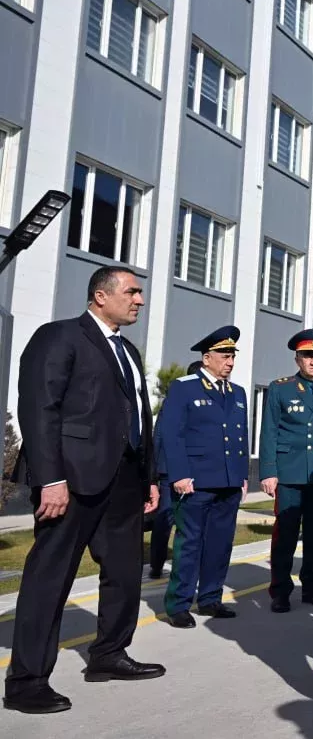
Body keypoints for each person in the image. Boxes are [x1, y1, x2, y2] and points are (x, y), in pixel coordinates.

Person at [3, 266, 163, 715]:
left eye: (140, 293)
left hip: (125, 484)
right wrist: (50, 479)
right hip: (71, 483)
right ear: (100, 295)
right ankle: (27, 681)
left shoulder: (126, 349)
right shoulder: (59, 337)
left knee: (126, 573)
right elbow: (40, 409)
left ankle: (109, 654)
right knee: (50, 578)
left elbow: (137, 418)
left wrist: (148, 476)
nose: (139, 300)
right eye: (132, 292)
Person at [157, 326, 250, 629]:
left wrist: (242, 475)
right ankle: (179, 603)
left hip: (228, 481)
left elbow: (240, 436)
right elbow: (172, 434)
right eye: (224, 355)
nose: (230, 362)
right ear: (207, 357)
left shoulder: (237, 392)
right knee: (190, 543)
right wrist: (179, 474)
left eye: (232, 356)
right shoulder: (185, 387)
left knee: (220, 544)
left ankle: (210, 598)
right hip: (195, 481)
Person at [260, 328, 313, 613]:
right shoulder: (280, 388)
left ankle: (312, 588)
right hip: (290, 474)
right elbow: (268, 432)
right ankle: (280, 591)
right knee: (286, 535)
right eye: (308, 355)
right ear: (297, 359)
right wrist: (268, 471)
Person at [148, 359, 202, 580]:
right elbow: (159, 436)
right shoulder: (175, 401)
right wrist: (153, 473)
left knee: (192, 523)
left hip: (198, 472)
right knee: (164, 519)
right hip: (170, 471)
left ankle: (187, 568)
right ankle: (156, 564)